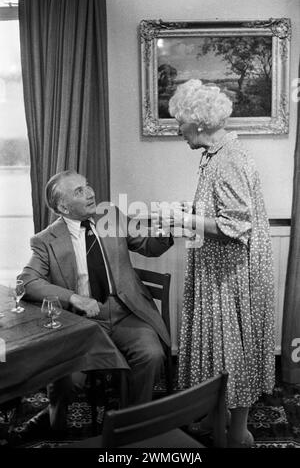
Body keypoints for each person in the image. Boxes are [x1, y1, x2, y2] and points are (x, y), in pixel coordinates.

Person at [17, 170, 173, 440]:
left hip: (126, 313)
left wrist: (167, 226)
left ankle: (128, 425)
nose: (90, 193)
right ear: (63, 206)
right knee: (68, 378)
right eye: (79, 191)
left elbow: (148, 246)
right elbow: (27, 282)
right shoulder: (45, 240)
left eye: (87, 185)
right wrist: (73, 297)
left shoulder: (109, 215)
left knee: (151, 354)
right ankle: (56, 421)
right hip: (82, 322)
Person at [161, 79, 275, 448]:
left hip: (230, 275)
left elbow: (233, 226)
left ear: (197, 123)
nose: (177, 130)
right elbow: (223, 212)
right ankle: (218, 421)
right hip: (218, 270)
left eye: (179, 122)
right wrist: (191, 212)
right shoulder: (215, 156)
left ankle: (237, 434)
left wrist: (182, 220)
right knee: (222, 349)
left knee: (232, 351)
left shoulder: (228, 159)